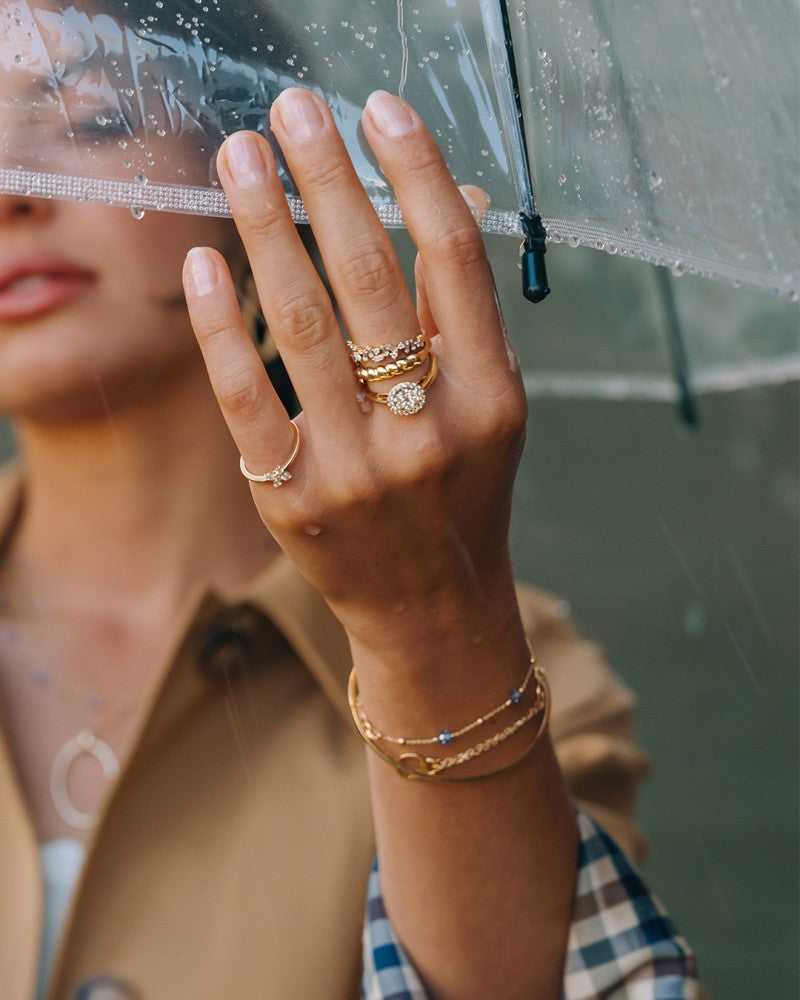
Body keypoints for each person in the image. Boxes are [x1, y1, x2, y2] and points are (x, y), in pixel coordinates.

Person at [0, 6, 699, 1000]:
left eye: (97, 117)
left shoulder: (505, 666)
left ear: (265, 192)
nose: (10, 190)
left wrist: (425, 626)